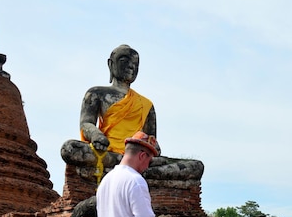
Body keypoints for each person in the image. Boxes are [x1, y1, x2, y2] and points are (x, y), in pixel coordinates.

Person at [61, 44, 204, 182]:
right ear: (111, 64)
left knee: (195, 166)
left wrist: (154, 145)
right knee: (70, 149)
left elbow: (150, 139)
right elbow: (86, 123)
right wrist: (96, 135)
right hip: (107, 152)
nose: (131, 66)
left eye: (136, 63)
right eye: (125, 61)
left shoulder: (146, 104)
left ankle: (140, 170)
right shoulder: (97, 93)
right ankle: (141, 173)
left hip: (137, 156)